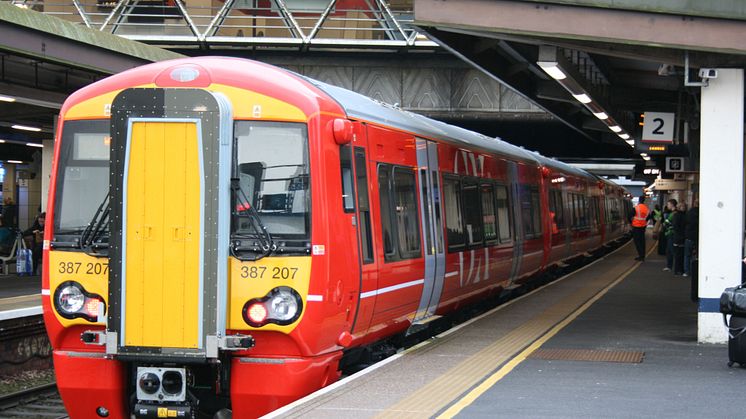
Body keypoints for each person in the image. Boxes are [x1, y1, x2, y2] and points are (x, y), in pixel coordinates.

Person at [631, 195, 649, 261]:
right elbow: (648, 217)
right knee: (642, 241)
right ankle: (643, 255)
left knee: (637, 242)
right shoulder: (646, 208)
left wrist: (631, 223)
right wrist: (644, 222)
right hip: (643, 227)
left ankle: (640, 256)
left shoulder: (636, 208)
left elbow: (629, 215)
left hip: (636, 227)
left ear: (639, 200)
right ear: (644, 200)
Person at [672, 202, 687, 275]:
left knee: (679, 254)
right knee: (679, 255)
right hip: (680, 238)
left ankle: (677, 270)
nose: (684, 207)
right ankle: (678, 270)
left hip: (678, 237)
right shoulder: (680, 216)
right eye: (683, 206)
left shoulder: (677, 215)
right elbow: (677, 227)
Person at [684, 199, 699, 277]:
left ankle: (687, 271)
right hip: (698, 237)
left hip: (689, 236)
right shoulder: (702, 212)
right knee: (697, 255)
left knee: (687, 255)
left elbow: (685, 222)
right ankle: (696, 271)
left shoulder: (689, 213)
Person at [662, 199, 677, 270]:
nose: (667, 206)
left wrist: (665, 223)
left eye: (668, 204)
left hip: (671, 234)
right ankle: (669, 266)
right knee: (669, 251)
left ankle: (673, 267)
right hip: (670, 234)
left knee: (671, 251)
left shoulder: (673, 214)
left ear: (672, 204)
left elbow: (666, 223)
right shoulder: (673, 213)